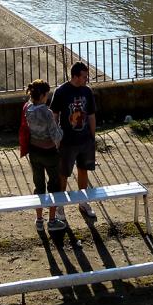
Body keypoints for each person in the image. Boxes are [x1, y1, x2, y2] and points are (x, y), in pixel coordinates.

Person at [50, 62, 98, 222]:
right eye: (84, 76)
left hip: (85, 140)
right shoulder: (61, 91)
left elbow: (91, 115)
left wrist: (92, 137)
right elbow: (54, 115)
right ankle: (61, 206)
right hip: (67, 142)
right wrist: (56, 138)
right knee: (63, 173)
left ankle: (83, 201)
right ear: (76, 76)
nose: (87, 79)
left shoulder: (87, 91)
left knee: (83, 170)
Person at [19, 79, 66, 232]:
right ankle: (52, 220)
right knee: (54, 185)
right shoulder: (47, 112)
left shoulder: (28, 108)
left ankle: (39, 219)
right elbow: (56, 136)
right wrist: (62, 129)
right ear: (44, 95)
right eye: (48, 94)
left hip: (34, 151)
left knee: (38, 185)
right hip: (49, 153)